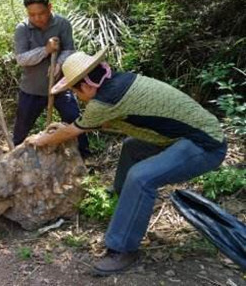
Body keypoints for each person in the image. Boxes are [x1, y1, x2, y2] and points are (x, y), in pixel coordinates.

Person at [27, 49, 227, 276]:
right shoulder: (119, 82)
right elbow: (95, 123)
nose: (77, 97)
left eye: (75, 91)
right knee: (132, 146)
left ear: (86, 86)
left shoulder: (104, 101)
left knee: (141, 178)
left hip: (205, 145)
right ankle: (122, 198)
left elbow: (74, 130)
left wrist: (42, 139)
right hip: (187, 136)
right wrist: (69, 129)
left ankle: (123, 249)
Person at [13, 0, 90, 157]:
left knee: (74, 117)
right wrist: (46, 50)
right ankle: (15, 157)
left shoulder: (62, 24)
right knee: (22, 127)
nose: (36, 18)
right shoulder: (23, 29)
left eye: (40, 13)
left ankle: (85, 156)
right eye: (31, 15)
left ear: (50, 7)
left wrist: (60, 64)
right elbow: (21, 59)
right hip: (32, 88)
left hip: (61, 86)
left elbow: (70, 49)